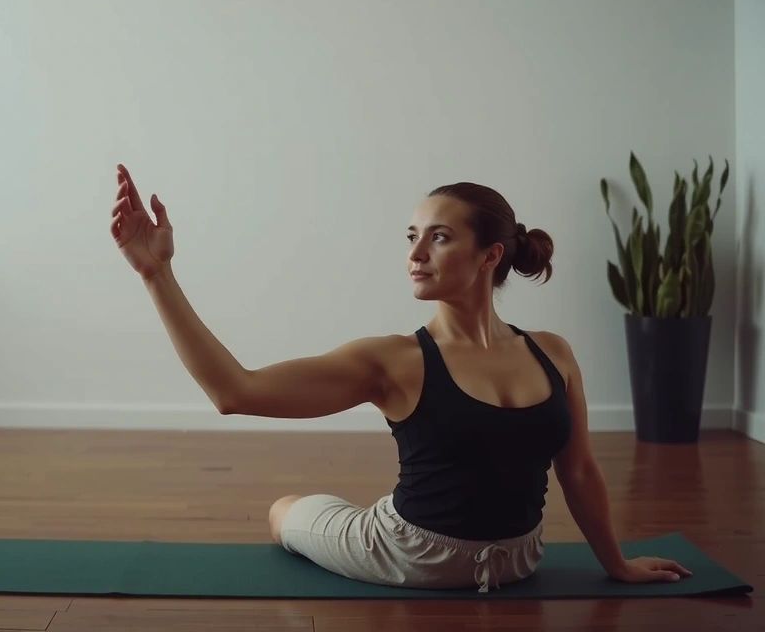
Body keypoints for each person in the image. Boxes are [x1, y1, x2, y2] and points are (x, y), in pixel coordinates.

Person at [109, 162, 693, 593]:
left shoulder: (553, 353)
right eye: (412, 237)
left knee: (288, 507)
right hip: (452, 555)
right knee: (290, 509)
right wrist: (157, 274)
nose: (416, 254)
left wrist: (618, 564)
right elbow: (234, 392)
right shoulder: (393, 361)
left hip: (481, 558)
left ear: (491, 256)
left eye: (439, 237)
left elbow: (579, 468)